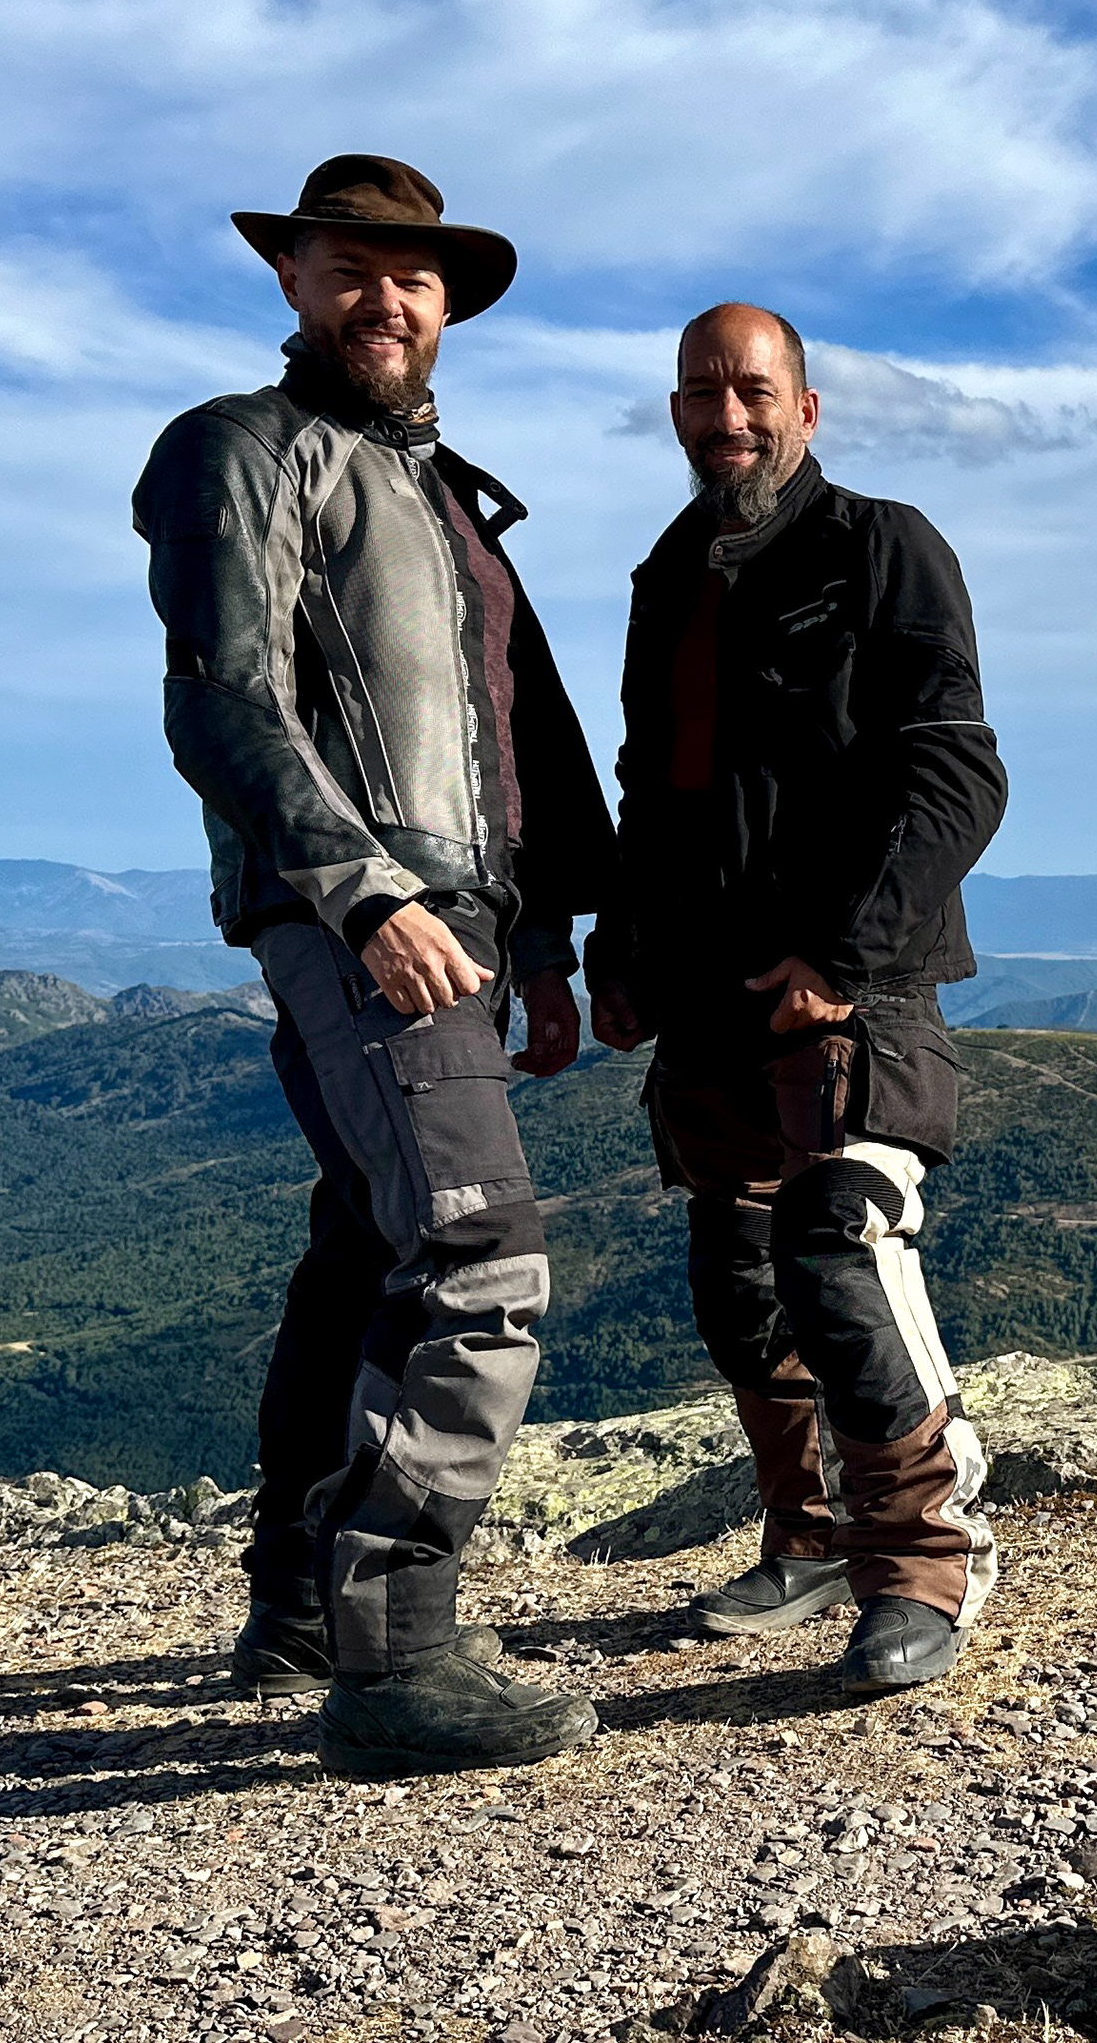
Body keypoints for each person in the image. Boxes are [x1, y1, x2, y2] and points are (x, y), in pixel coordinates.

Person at [132, 154, 615, 1776]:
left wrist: (538, 939)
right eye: (351, 266)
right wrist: (364, 895)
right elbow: (225, 704)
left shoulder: (439, 492)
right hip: (364, 921)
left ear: (447, 301)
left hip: (460, 924)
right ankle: (398, 1651)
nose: (386, 298)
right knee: (478, 1257)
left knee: (365, 1254)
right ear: (290, 280)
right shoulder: (239, 451)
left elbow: (503, 739)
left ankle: (294, 1612)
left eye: (414, 277)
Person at [586, 303, 1009, 1693]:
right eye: (702, 393)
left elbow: (955, 769)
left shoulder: (881, 547)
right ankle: (812, 1532)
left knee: (840, 1239)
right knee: (735, 1274)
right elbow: (655, 788)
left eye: (754, 390)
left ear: (807, 409)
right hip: (708, 988)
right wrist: (621, 953)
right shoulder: (669, 576)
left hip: (850, 988)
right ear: (677, 412)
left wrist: (843, 954)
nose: (729, 416)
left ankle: (927, 1562)